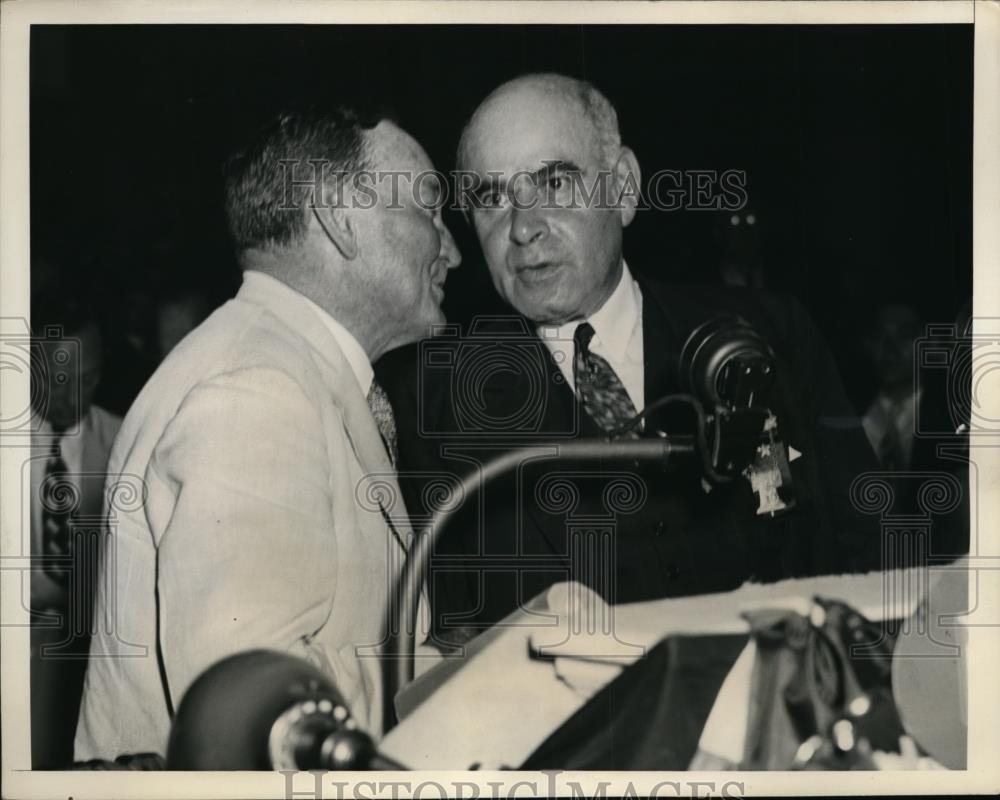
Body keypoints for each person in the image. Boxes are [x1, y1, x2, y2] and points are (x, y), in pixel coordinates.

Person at [385, 73, 881, 636]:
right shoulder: (435, 407)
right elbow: (451, 639)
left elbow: (874, 551)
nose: (523, 229)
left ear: (623, 187)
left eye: (554, 183)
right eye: (492, 198)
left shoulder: (771, 334)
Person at [74, 108, 460, 760]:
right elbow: (255, 715)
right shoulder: (258, 389)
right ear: (340, 218)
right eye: (429, 210)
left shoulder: (280, 366)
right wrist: (466, 674)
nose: (451, 248)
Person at [28, 291, 122, 767]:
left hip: (94, 665)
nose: (71, 398)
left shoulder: (125, 440)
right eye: (56, 381)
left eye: (85, 380)